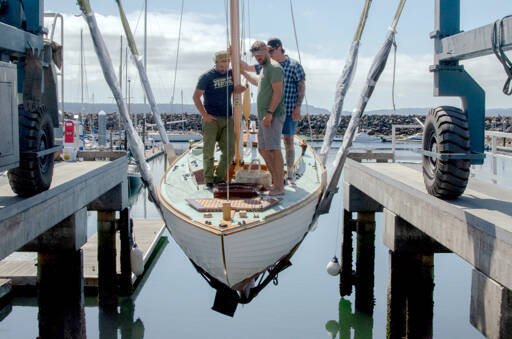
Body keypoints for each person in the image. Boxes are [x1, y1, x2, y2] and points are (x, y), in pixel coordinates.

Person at [242, 38, 305, 185]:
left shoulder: (293, 65)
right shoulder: (265, 65)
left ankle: (289, 174)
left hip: (287, 109)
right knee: (269, 147)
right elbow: (251, 72)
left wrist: (298, 107)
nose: (268, 53)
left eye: (270, 51)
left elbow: (301, 87)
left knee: (287, 141)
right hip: (270, 111)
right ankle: (277, 177)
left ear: (279, 48)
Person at [192, 50, 244, 189]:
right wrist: (205, 115)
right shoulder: (206, 77)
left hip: (228, 118)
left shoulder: (232, 74)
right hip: (211, 119)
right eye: (221, 66)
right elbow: (196, 97)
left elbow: (236, 87)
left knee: (229, 151)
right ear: (216, 63)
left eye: (226, 65)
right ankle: (208, 179)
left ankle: (219, 178)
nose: (224, 69)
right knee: (208, 151)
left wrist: (239, 89)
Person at [241, 41, 285, 196]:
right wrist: (244, 73)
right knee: (262, 148)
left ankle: (279, 186)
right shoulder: (265, 68)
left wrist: (269, 113)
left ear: (267, 50)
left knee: (274, 149)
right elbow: (258, 82)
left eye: (260, 55)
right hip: (265, 116)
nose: (257, 59)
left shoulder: (274, 67)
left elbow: (278, 92)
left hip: (272, 115)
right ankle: (276, 181)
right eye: (255, 57)